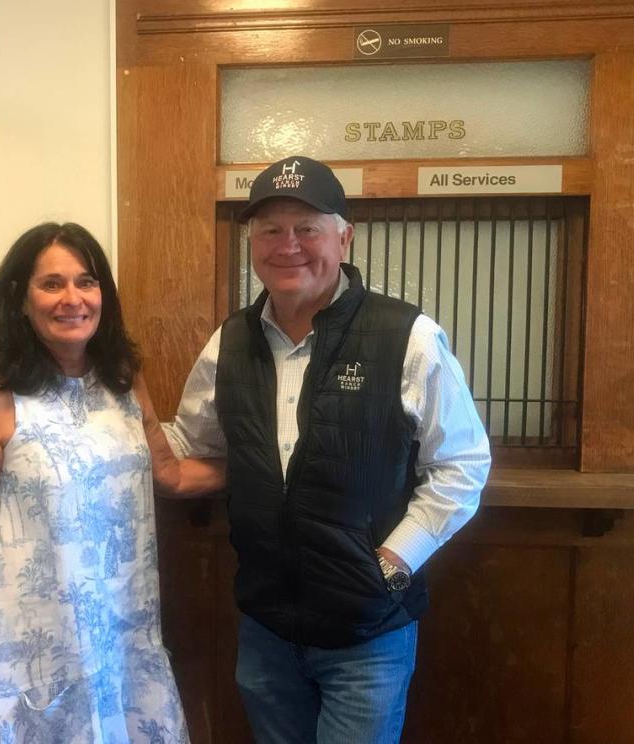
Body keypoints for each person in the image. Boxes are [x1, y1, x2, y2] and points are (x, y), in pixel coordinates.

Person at [159, 156, 492, 744]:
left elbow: (462, 466)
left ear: (344, 237)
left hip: (368, 631)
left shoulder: (407, 336)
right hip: (266, 630)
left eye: (307, 228)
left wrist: (391, 563)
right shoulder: (229, 343)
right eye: (270, 230)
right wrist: (106, 403)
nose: (288, 245)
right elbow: (191, 444)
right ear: (251, 243)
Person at [0, 222, 211, 743]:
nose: (72, 299)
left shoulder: (124, 380)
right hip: (27, 652)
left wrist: (270, 466)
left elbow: (169, 473)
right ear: (20, 298)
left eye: (86, 282)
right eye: (52, 284)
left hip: (122, 639)